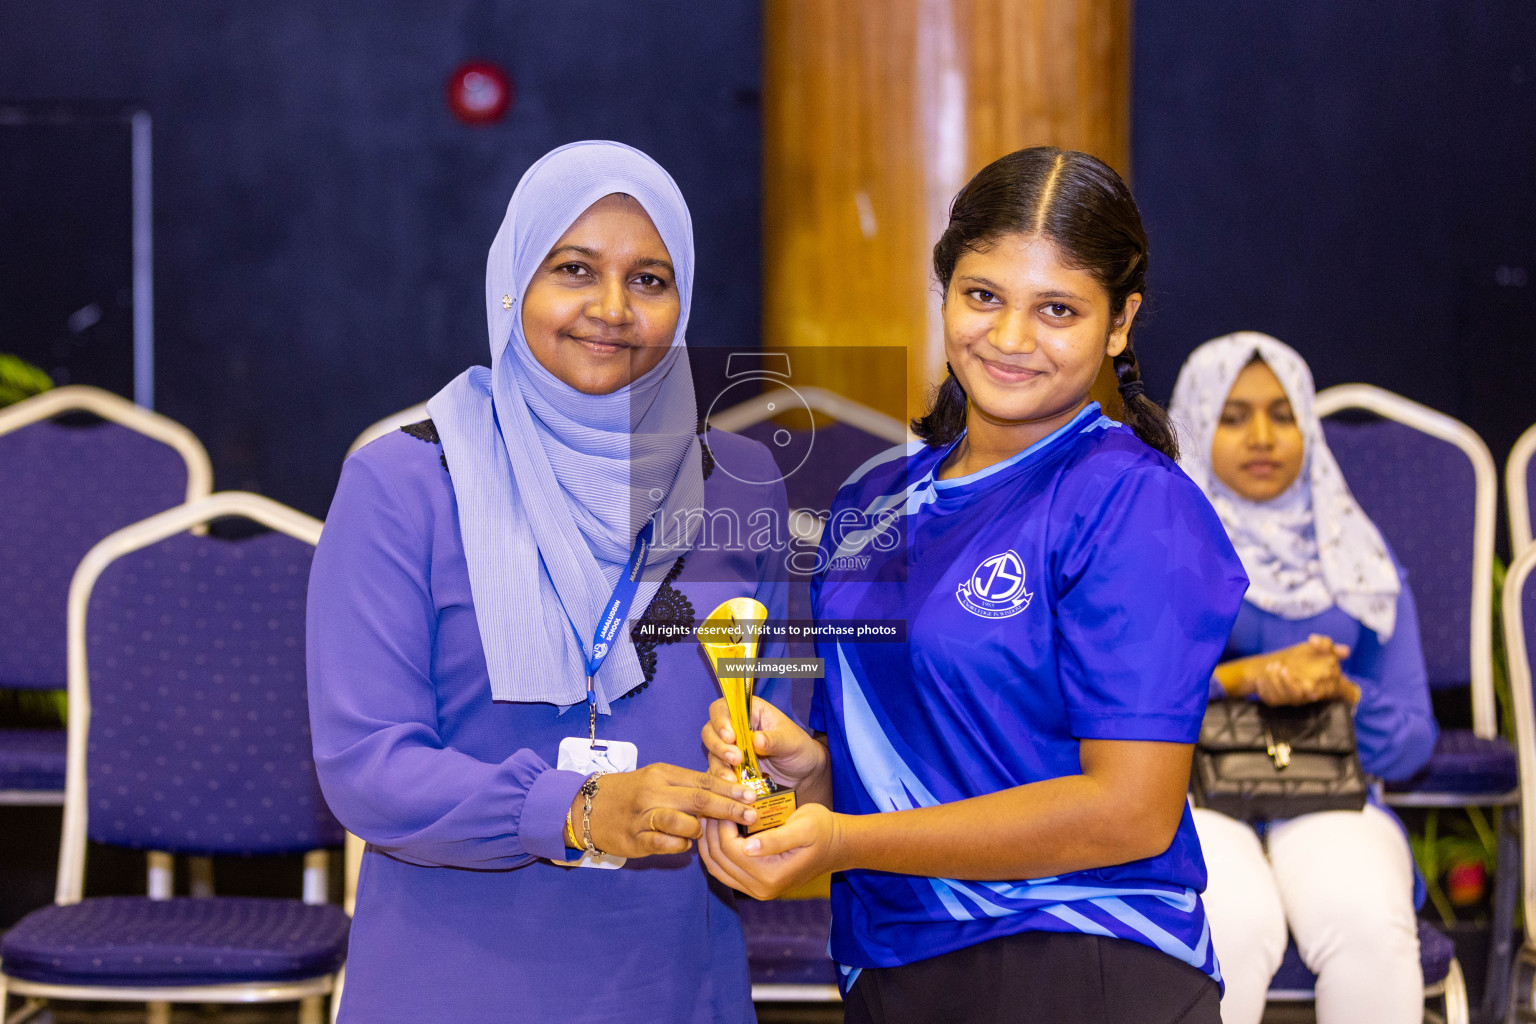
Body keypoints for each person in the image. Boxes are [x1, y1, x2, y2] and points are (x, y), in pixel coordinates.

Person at [698, 147, 1249, 1024]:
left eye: (1057, 309)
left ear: (1120, 322)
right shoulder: (871, 500)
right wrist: (813, 779)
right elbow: (938, 765)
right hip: (889, 960)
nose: (1010, 338)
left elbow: (1130, 812)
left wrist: (845, 840)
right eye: (983, 295)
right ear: (945, 289)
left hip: (1080, 960)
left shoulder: (1135, 502)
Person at [306, 141, 791, 1023]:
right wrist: (576, 806)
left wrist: (799, 782)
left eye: (649, 279)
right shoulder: (403, 483)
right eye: (574, 269)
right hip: (454, 981)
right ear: (512, 284)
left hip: (675, 978)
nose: (612, 308)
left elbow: (784, 741)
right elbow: (364, 766)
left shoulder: (742, 483)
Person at [1167, 331, 1437, 1024]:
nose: (1262, 436)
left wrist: (1343, 693)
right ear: (1195, 421)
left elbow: (1412, 745)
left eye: (1283, 414)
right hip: (1185, 797)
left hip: (1328, 792)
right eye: (1233, 416)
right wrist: (1241, 677)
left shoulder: (1362, 562)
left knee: (1367, 925)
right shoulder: (1160, 549)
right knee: (1231, 924)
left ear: (1309, 429)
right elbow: (1114, 710)